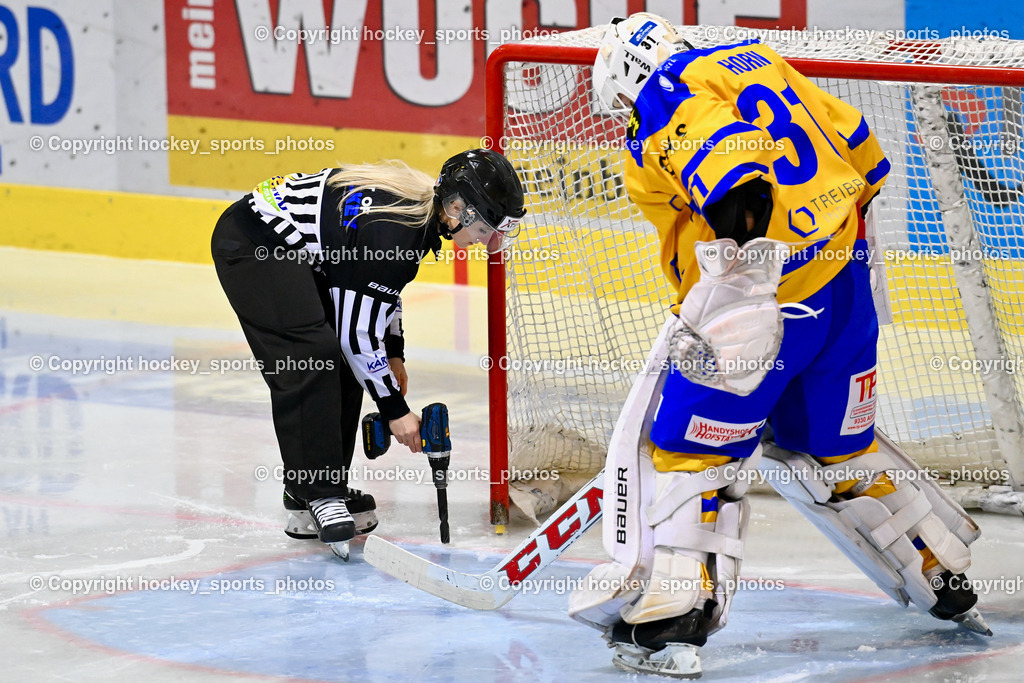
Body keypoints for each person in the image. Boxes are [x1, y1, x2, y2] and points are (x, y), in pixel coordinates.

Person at [568, 14, 989, 678]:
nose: (625, 111)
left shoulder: (667, 90)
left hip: (768, 304)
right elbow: (863, 149)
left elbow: (740, 181)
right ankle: (942, 578)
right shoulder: (753, 59)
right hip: (844, 291)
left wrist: (741, 285)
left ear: (628, 74)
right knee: (833, 447)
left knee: (691, 451)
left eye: (622, 98)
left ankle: (674, 622)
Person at [212, 150, 525, 558]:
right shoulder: (394, 231)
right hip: (254, 244)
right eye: (486, 226)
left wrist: (394, 353)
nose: (489, 240)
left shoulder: (415, 218)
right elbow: (355, 336)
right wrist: (395, 410)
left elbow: (379, 293)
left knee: (340, 361)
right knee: (313, 354)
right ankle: (321, 495)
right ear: (457, 208)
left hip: (296, 253)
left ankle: (316, 487)